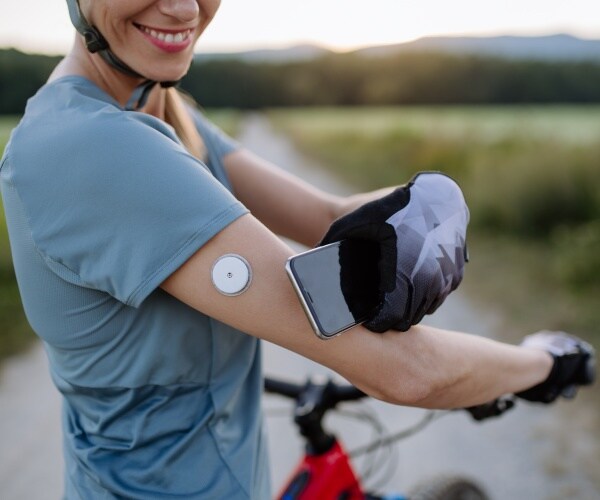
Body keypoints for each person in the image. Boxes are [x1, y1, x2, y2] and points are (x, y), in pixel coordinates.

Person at [0, 1, 594, 498]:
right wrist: (541, 362)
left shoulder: (152, 108)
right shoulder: (93, 149)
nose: (183, 8)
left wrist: (431, 202)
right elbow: (405, 373)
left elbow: (325, 217)